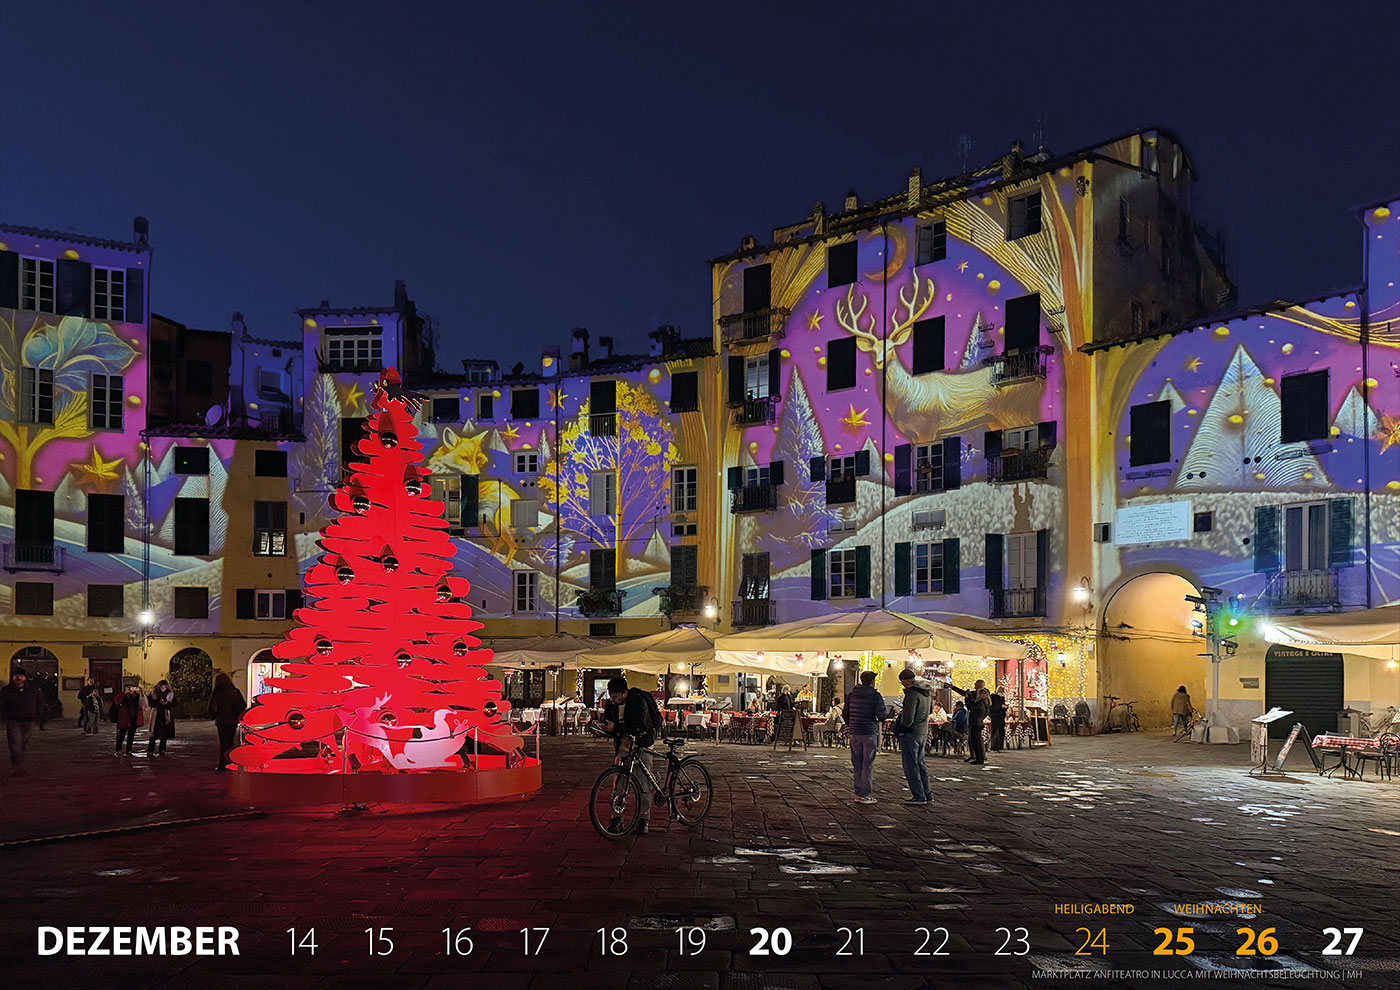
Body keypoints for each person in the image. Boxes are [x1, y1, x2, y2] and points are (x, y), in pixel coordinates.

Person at [605, 675, 662, 834]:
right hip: (624, 744)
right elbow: (609, 720)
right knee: (619, 782)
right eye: (611, 695)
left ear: (624, 693)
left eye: (615, 696)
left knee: (643, 782)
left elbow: (638, 725)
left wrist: (615, 727)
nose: (612, 699)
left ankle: (644, 819)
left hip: (643, 743)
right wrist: (605, 727)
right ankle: (616, 818)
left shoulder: (637, 701)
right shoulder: (611, 703)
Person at [844, 670, 887, 804]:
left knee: (857, 763)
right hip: (868, 731)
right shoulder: (875, 696)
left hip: (854, 732)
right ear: (872, 681)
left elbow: (846, 713)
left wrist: (851, 723)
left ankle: (858, 793)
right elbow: (882, 715)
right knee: (867, 764)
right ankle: (865, 794)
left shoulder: (852, 695)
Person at [892, 668, 933, 804]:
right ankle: (927, 793)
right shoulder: (926, 693)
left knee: (911, 765)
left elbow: (908, 717)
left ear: (905, 681)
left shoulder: (912, 694)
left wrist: (902, 728)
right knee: (921, 763)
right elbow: (931, 710)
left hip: (911, 733)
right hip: (923, 731)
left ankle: (918, 795)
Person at [2, 669, 50, 776]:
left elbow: (39, 702)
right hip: (13, 721)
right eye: (16, 676)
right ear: (13, 677)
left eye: (20, 676)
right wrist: (6, 716)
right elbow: (2, 705)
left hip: (29, 721)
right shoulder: (7, 690)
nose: (18, 678)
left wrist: (38, 715)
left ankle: (18, 763)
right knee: (15, 744)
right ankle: (17, 767)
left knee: (22, 744)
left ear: (24, 677)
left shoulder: (32, 689)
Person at [207, 673, 247, 771]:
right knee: (230, 741)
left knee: (223, 742)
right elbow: (243, 705)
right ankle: (231, 761)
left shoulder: (217, 692)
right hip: (232, 720)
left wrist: (214, 715)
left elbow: (212, 706)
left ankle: (223, 763)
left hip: (221, 720)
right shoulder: (235, 691)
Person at [948, 678, 990, 765]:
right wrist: (952, 687)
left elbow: (971, 706)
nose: (974, 685)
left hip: (976, 721)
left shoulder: (981, 699)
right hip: (975, 721)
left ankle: (980, 757)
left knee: (977, 740)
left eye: (975, 684)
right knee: (972, 739)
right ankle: (974, 756)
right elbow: (963, 693)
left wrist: (967, 699)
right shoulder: (978, 696)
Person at [146, 680, 177, 757]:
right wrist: (158, 702)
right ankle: (150, 750)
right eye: (162, 686)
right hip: (156, 715)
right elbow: (149, 702)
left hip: (166, 715)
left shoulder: (170, 694)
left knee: (164, 734)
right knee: (153, 733)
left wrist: (167, 704)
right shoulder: (154, 693)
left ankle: (162, 749)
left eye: (164, 686)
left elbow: (174, 704)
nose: (163, 688)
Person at [112, 686, 143, 757]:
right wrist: (124, 693)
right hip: (124, 718)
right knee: (121, 735)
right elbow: (117, 700)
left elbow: (143, 704)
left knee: (131, 736)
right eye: (128, 688)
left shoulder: (137, 696)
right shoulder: (123, 695)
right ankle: (118, 750)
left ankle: (128, 750)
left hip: (133, 718)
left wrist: (142, 693)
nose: (130, 690)